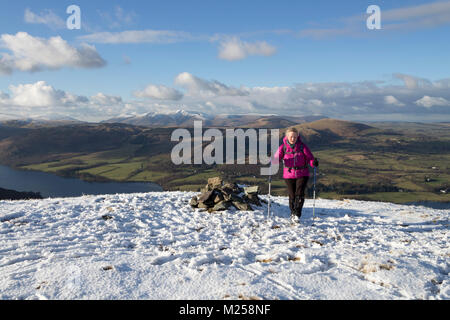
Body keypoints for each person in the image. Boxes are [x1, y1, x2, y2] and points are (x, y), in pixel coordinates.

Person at [274, 127, 318, 223]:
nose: (293, 139)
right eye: (291, 137)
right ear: (287, 137)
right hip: (289, 175)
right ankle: (292, 212)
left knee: (300, 194)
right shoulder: (283, 147)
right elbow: (276, 158)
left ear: (297, 136)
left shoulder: (302, 146)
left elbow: (310, 158)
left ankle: (297, 214)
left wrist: (313, 162)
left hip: (302, 173)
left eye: (294, 137)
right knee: (292, 195)